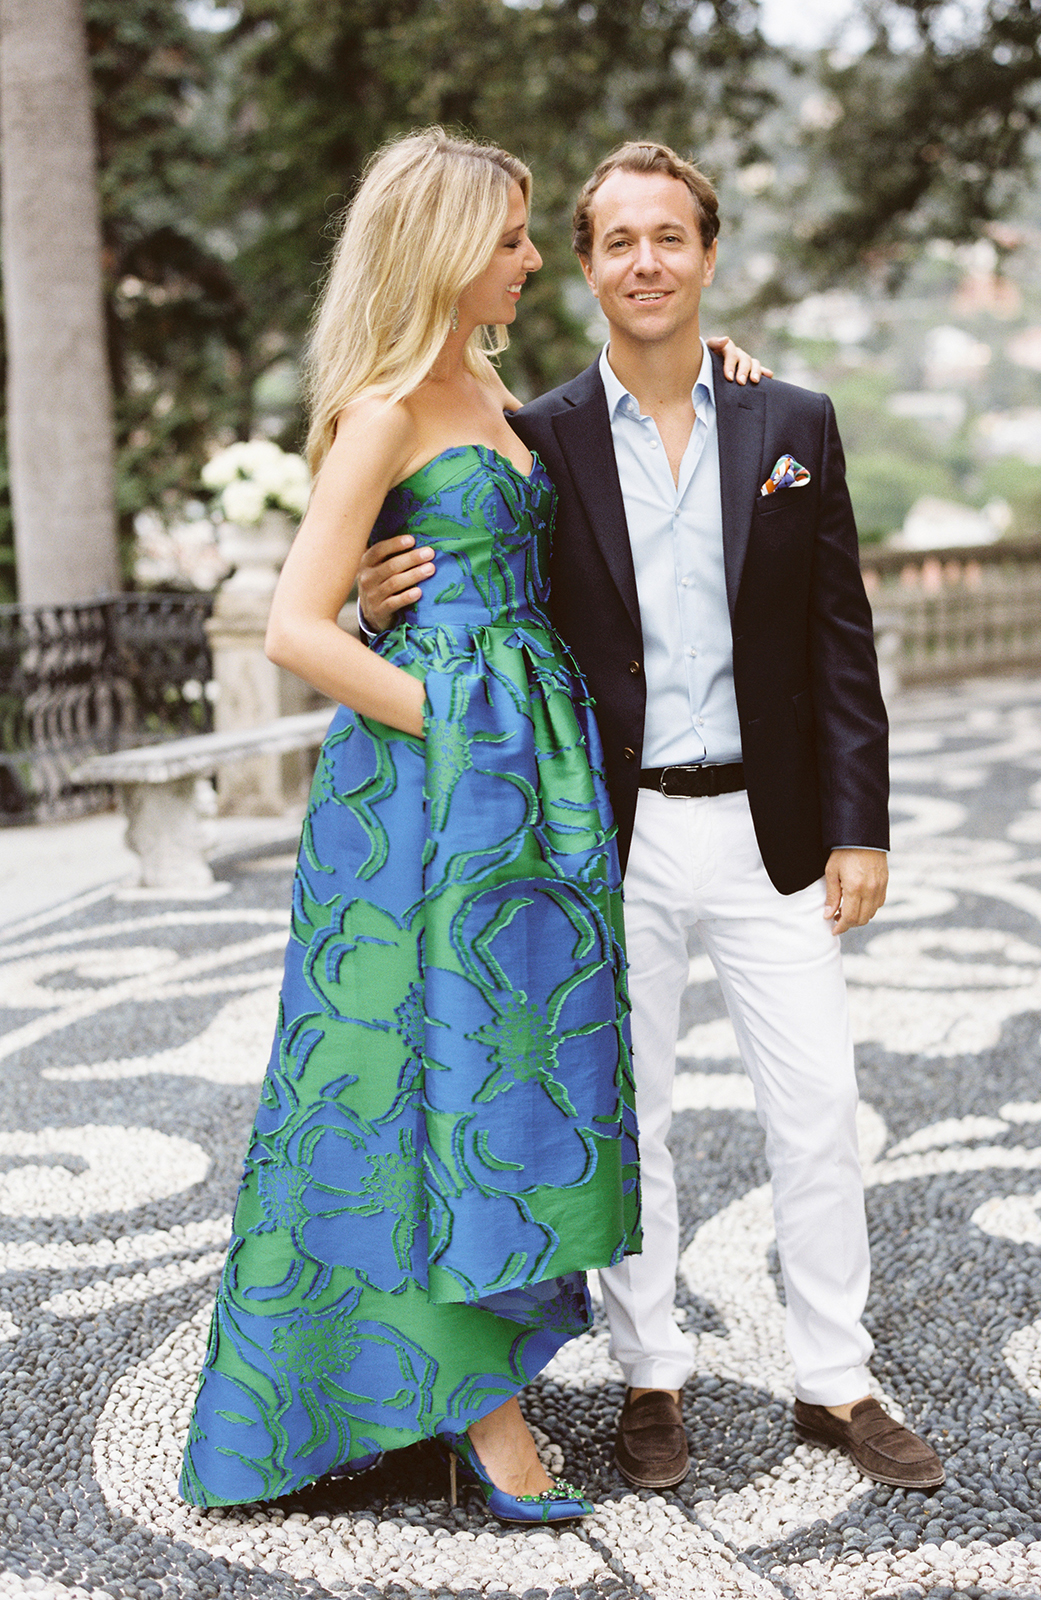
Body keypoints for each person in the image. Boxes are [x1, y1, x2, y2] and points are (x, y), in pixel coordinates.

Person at [358, 141, 946, 1494]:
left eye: (669, 236)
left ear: (708, 254)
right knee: (637, 1118)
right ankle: (650, 1371)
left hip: (772, 830)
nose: (646, 262)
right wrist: (376, 603)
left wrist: (862, 824)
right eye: (617, 240)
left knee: (820, 1105)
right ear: (583, 265)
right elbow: (470, 586)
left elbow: (840, 639)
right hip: (607, 835)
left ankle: (836, 1378)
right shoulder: (537, 437)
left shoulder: (792, 422)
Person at [178, 129, 645, 1523]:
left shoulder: (488, 386)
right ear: (443, 249)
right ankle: (479, 1415)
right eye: (509, 237)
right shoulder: (383, 408)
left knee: (500, 1068)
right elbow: (295, 627)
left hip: (523, 782)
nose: (530, 258)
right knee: (402, 1073)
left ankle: (446, 1379)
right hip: (430, 792)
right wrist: (457, 725)